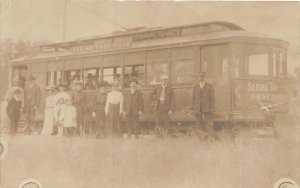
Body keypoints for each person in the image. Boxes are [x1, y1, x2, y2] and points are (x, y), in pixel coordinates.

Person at [192, 72, 215, 138]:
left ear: (205, 78)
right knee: (199, 124)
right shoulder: (196, 87)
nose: (201, 78)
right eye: (200, 77)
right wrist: (193, 108)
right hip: (197, 108)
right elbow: (193, 98)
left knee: (208, 124)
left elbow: (213, 98)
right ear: (198, 78)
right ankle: (201, 139)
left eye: (202, 77)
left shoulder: (209, 86)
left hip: (206, 108)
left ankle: (211, 139)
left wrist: (212, 108)